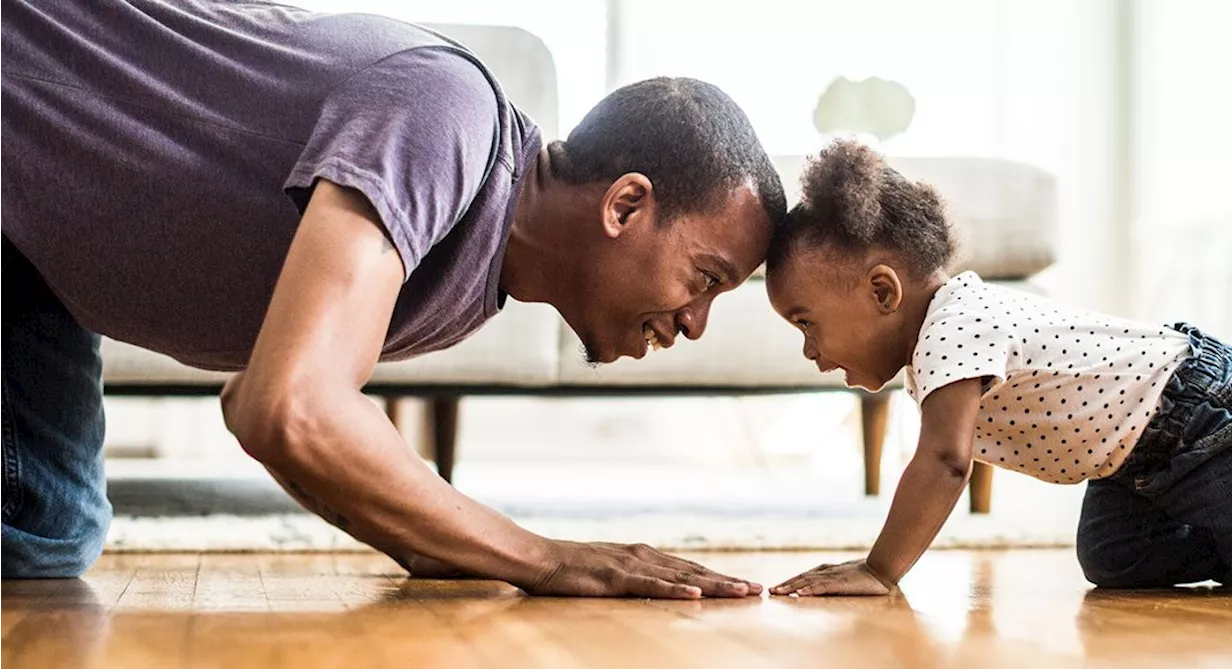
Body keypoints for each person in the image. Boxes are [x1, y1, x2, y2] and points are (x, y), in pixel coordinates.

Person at [0, 0, 787, 598]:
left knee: (45, 532)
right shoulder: (449, 114)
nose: (695, 323)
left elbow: (256, 407)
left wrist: (442, 544)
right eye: (706, 278)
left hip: (28, 262)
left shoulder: (472, 281)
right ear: (624, 206)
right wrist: (544, 556)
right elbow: (292, 407)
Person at [763, 139, 1232, 596]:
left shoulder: (953, 325)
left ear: (882, 291)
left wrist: (880, 570)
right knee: (1113, 557)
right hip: (1132, 460)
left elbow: (946, 460)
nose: (809, 350)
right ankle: (1230, 528)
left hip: (1201, 412)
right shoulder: (939, 343)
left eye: (806, 323)